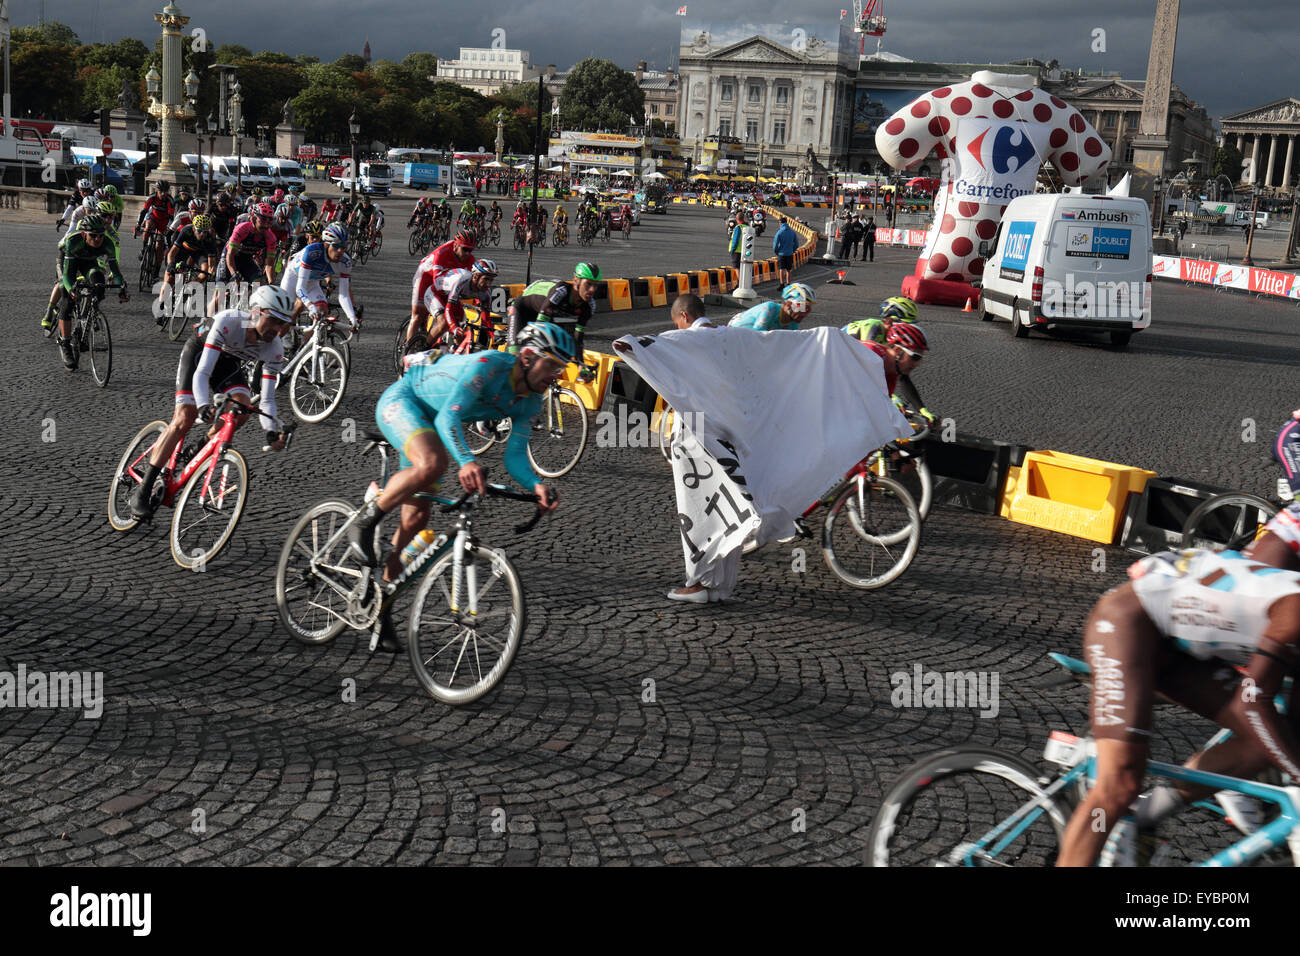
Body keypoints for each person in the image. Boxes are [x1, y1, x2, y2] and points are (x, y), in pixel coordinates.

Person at [1055, 544, 1300, 867]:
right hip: (1128, 622)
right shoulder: (1295, 614)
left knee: (1260, 748)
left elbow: (1290, 734)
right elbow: (1253, 705)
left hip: (1181, 647)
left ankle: (1144, 816)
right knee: (1121, 783)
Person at [349, 321, 569, 648]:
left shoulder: (530, 401)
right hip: (405, 401)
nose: (557, 375)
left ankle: (380, 607)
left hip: (430, 424)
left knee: (415, 521)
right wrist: (466, 461)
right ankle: (365, 522)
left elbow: (515, 457)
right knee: (433, 462)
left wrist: (537, 485)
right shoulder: (490, 365)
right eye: (551, 365)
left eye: (560, 368)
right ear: (526, 357)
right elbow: (447, 419)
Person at [130, 285, 293, 519]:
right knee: (185, 416)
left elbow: (266, 399)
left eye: (283, 323)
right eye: (275, 321)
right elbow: (203, 372)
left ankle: (199, 447)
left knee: (242, 410)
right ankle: (143, 491)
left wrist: (271, 431)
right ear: (256, 312)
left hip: (228, 364)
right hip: (199, 355)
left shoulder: (274, 348)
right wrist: (203, 405)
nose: (278, 329)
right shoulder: (230, 321)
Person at [48, 215, 129, 368]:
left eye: (101, 235)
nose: (98, 239)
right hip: (68, 261)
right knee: (68, 299)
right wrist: (71, 289)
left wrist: (121, 289)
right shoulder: (74, 241)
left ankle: (86, 321)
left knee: (99, 283)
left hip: (89, 263)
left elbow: (116, 273)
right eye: (93, 235)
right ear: (85, 234)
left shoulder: (107, 243)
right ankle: (65, 343)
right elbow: (68, 275)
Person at [506, 262, 600, 357]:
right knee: (517, 356)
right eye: (588, 284)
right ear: (576, 280)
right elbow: (539, 326)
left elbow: (578, 339)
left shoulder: (590, 305)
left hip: (542, 313)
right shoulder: (561, 291)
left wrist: (580, 364)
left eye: (595, 285)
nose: (592, 289)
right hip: (521, 309)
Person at [279, 222, 361, 328]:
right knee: (285, 313)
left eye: (344, 246)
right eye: (336, 246)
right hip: (293, 277)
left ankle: (313, 344)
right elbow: (300, 288)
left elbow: (344, 295)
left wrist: (352, 318)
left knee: (322, 312)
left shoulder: (345, 262)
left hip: (313, 281)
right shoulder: (312, 252)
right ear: (326, 244)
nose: (340, 251)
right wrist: (310, 306)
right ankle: (282, 337)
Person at [406, 230, 478, 347]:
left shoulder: (470, 259)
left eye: (470, 250)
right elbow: (437, 281)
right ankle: (407, 352)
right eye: (464, 249)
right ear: (455, 245)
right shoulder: (442, 252)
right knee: (418, 315)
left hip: (443, 283)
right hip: (426, 277)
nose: (467, 254)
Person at [157, 213, 220, 317]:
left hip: (198, 253)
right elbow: (172, 253)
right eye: (200, 231)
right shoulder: (186, 230)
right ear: (194, 229)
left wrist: (211, 273)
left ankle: (189, 288)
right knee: (169, 278)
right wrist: (171, 265)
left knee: (204, 272)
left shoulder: (209, 238)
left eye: (205, 232)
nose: (202, 235)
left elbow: (211, 262)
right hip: (183, 249)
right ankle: (161, 304)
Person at [729, 283, 815, 331]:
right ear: (788, 303)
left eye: (808, 310)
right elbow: (757, 337)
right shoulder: (770, 309)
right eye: (803, 308)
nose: (805, 314)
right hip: (737, 329)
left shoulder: (794, 322)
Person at [135, 180, 176, 254]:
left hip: (164, 222)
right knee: (147, 229)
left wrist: (168, 228)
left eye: (165, 191)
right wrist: (138, 224)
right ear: (157, 190)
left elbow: (171, 217)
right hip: (153, 218)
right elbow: (144, 211)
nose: (163, 194)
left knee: (159, 246)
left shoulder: (170, 200)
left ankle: (157, 263)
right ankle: (144, 248)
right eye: (161, 191)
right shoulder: (152, 197)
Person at [772, 215, 797, 286]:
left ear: (780, 223)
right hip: (789, 253)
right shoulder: (792, 232)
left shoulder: (779, 232)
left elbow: (775, 245)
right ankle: (788, 284)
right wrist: (792, 250)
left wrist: (776, 252)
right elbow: (796, 244)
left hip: (781, 254)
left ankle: (781, 284)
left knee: (781, 269)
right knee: (788, 270)